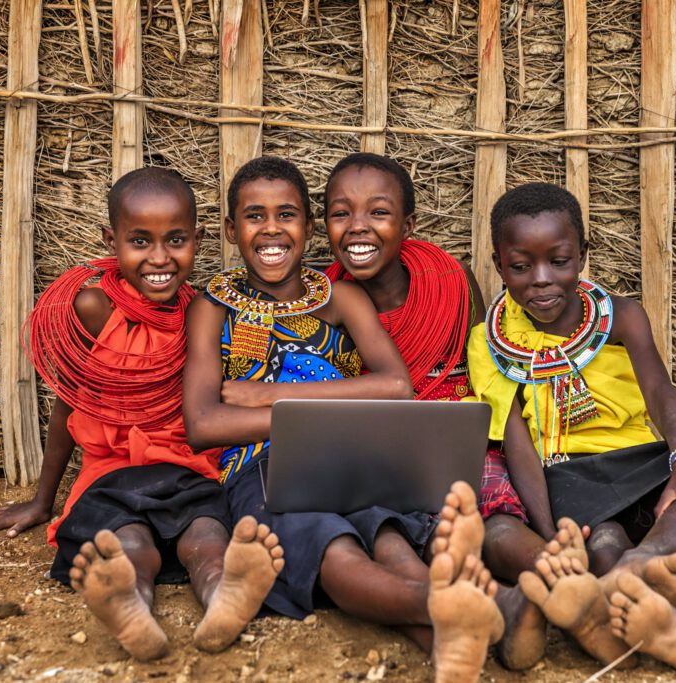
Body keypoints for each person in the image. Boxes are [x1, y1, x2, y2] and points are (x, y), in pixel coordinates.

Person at [182, 156, 503, 683]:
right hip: (264, 468)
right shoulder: (213, 307)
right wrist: (315, 418)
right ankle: (456, 606)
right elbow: (203, 424)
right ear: (230, 229)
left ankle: (454, 634)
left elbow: (396, 387)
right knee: (335, 549)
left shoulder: (340, 297)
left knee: (391, 539)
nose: (270, 230)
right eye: (254, 216)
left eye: (286, 215)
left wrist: (270, 398)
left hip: (352, 459)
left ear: (308, 229)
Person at [0, 167, 284, 660]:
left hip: (188, 471)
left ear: (198, 239)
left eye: (175, 240)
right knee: (128, 545)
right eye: (140, 241)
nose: (159, 258)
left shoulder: (203, 314)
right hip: (110, 473)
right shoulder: (96, 307)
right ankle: (131, 606)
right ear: (110, 240)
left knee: (207, 540)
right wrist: (41, 500)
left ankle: (226, 595)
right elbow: (71, 401)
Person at [468, 182, 676, 670]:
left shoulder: (621, 316)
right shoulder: (489, 341)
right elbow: (516, 437)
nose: (541, 280)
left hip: (636, 464)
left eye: (558, 261)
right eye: (520, 267)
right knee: (603, 540)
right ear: (499, 265)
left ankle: (646, 559)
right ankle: (645, 610)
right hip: (563, 474)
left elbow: (658, 389)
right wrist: (549, 535)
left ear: (583, 255)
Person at [323, 152, 559, 669]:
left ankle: (569, 585)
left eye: (378, 213)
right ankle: (493, 608)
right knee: (411, 534)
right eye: (341, 213)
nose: (358, 227)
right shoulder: (325, 305)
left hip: (455, 439)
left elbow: (485, 377)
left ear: (409, 224)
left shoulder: (450, 281)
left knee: (494, 518)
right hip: (375, 459)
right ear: (325, 225)